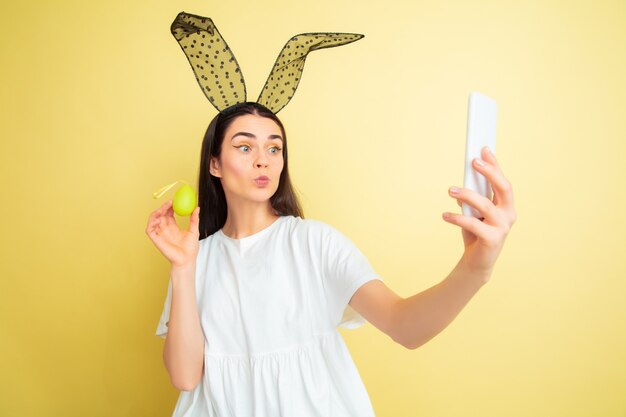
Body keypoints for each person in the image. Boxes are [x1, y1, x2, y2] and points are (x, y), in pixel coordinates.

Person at [145, 101, 516, 416]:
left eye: (274, 149)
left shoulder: (314, 242)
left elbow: (406, 326)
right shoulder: (197, 257)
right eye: (245, 147)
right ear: (215, 165)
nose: (263, 161)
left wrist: (475, 268)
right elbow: (185, 377)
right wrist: (182, 269)